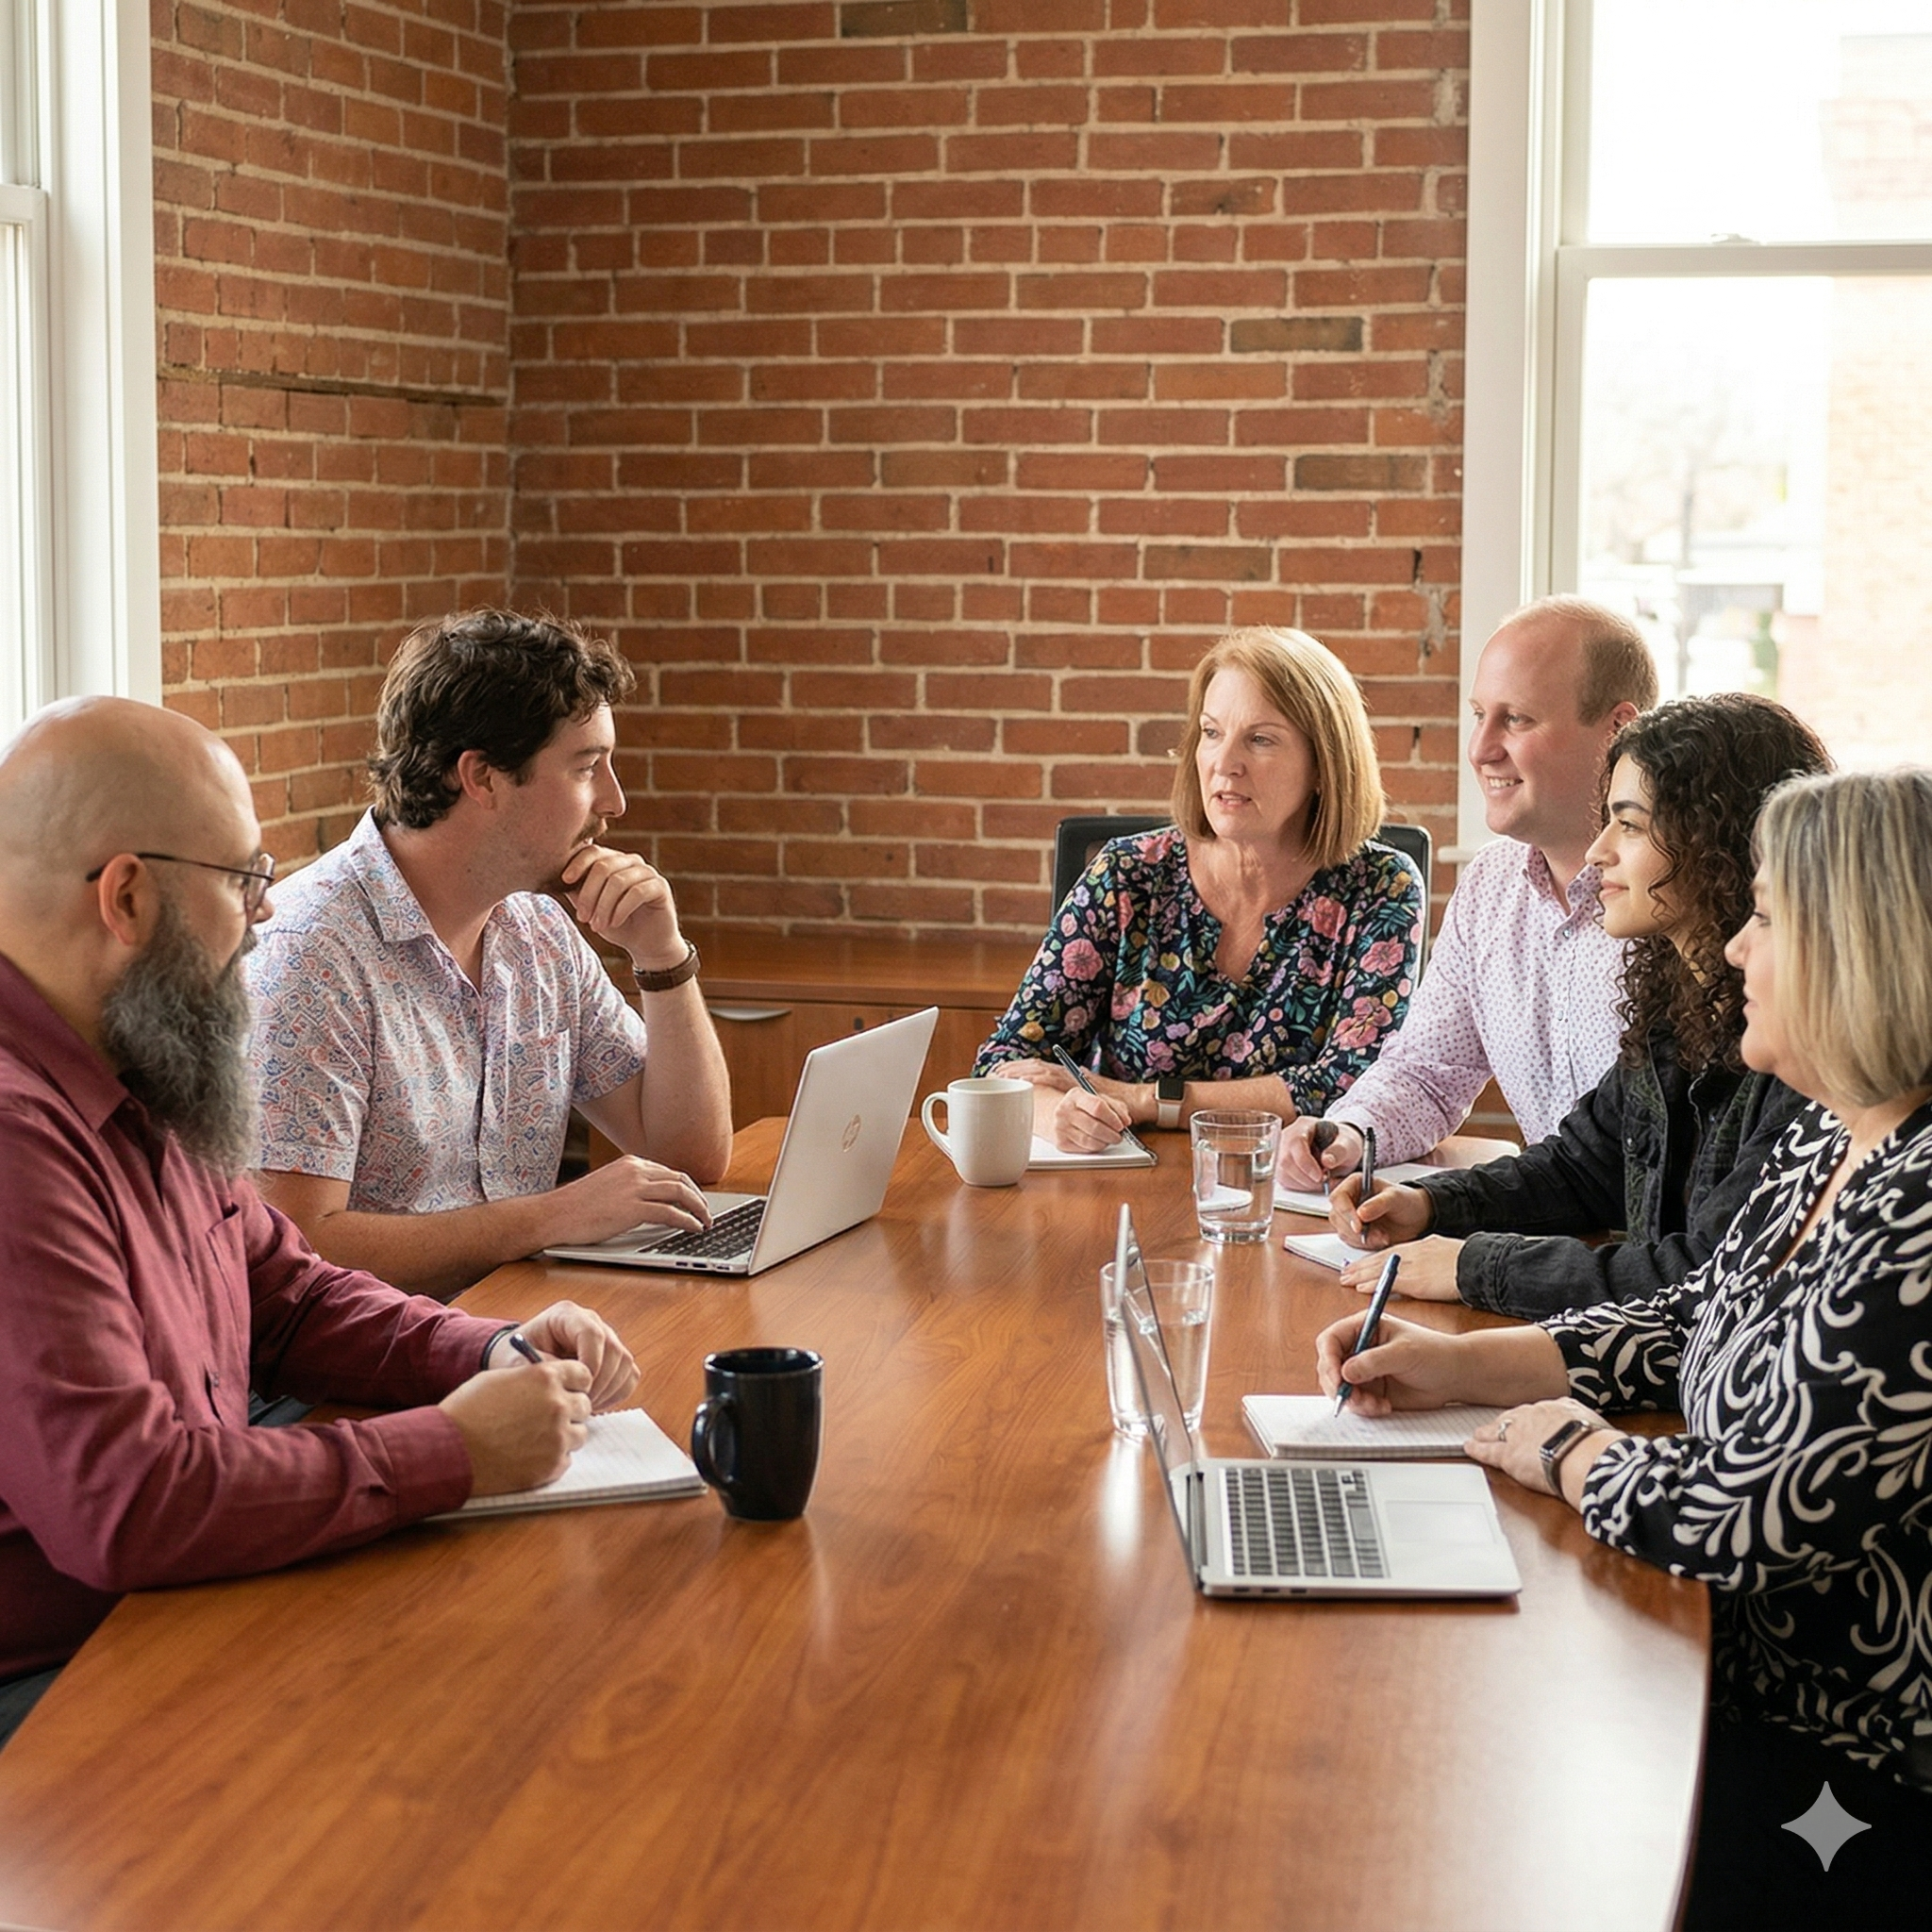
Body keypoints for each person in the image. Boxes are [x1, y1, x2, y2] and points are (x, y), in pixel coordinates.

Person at [1314, 766, 1932, 1926]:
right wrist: (1463, 1365)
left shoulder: (1919, 1204)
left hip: (1848, 1762)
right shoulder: (1841, 1137)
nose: (1736, 950)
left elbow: (1746, 1511)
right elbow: (1691, 1314)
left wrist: (1571, 1452)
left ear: (1860, 946)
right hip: (1723, 1674)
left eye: (1765, 918)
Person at [0, 697, 641, 1749]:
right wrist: (452, 1448)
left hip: (184, 1597)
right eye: (244, 879)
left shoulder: (139, 1056)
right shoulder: (19, 1137)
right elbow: (130, 1501)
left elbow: (289, 1295)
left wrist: (489, 1345)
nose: (264, 914)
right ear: (127, 895)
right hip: (61, 1678)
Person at [248, 609, 733, 1299]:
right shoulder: (311, 955)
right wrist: (551, 1217)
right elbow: (295, 1252)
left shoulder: (538, 931)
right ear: (482, 778)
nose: (616, 801)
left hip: (513, 1330)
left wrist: (662, 956)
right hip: (360, 1378)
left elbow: (690, 1154)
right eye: (587, 767)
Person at [1327, 693, 1827, 1316]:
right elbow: (1583, 1167)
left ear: (1719, 843)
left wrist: (1474, 1264)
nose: (1599, 851)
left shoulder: (1803, 1048)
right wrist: (1432, 1206)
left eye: (1632, 824)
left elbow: (1705, 1274)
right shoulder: (1679, 998)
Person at [974, 625, 1424, 1151]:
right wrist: (1055, 1112)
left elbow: (1355, 1083)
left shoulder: (1380, 888)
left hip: (1289, 1192)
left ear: (1324, 764)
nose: (1223, 763)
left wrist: (1145, 1100)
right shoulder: (1127, 875)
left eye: (1260, 739)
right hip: (1120, 1182)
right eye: (1212, 733)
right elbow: (1004, 1059)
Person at [1276, 596, 1658, 1191]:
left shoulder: (1673, 896)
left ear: (1619, 729)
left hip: (1663, 1258)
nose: (1480, 749)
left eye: (1517, 720)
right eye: (1479, 714)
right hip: (1556, 1233)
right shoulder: (1489, 885)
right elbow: (1429, 1071)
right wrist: (1347, 1134)